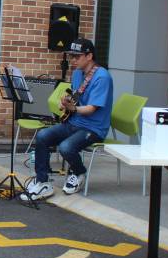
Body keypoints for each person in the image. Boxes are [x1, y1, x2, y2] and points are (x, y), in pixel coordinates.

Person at [23, 38, 113, 200]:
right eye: (71, 56)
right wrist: (65, 102)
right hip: (74, 122)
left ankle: (79, 172)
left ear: (89, 56)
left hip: (94, 128)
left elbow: (91, 108)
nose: (73, 60)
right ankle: (43, 182)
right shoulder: (78, 73)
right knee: (42, 136)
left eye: (77, 56)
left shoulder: (102, 77)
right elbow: (75, 94)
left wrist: (73, 109)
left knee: (66, 147)